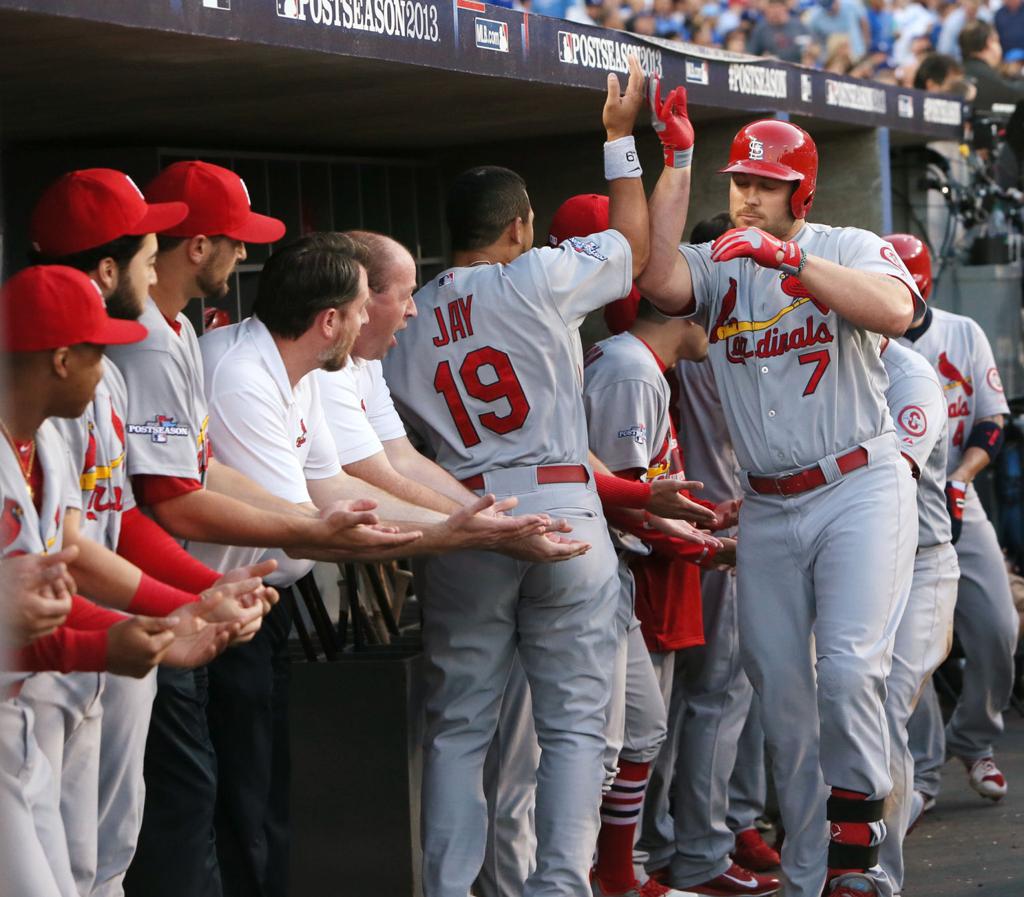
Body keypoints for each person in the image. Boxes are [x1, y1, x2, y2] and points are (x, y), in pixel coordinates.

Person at [106, 161, 421, 897]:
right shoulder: (157, 341)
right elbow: (170, 498)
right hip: (154, 606)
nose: (242, 254)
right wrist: (219, 580)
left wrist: (310, 526)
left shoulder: (175, 330)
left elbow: (194, 473)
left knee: (184, 815)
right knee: (155, 825)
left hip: (192, 599)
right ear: (195, 247)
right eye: (233, 241)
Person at [637, 95, 923, 897]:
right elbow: (656, 276)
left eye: (765, 184)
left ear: (801, 193)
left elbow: (901, 310)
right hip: (768, 504)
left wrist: (790, 262)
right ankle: (812, 874)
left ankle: (864, 870)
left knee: (847, 671)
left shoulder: (843, 244)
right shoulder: (721, 262)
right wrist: (679, 160)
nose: (747, 198)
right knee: (783, 697)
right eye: (739, 184)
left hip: (858, 484)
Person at [382, 56, 650, 897]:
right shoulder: (533, 275)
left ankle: (451, 889)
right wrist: (619, 142)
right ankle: (558, 885)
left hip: (461, 511)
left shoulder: (410, 317)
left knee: (459, 728)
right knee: (573, 727)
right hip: (561, 501)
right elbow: (635, 250)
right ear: (519, 225)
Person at [25, 167, 275, 897]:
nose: (156, 259)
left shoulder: (104, 376)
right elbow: (77, 546)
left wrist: (198, 591)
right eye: (143, 252)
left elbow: (118, 518)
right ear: (106, 270)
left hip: (101, 640)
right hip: (42, 658)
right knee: (56, 866)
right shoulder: (45, 390)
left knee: (105, 853)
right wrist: (181, 604)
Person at [0, 264, 189, 897]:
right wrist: (108, 643)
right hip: (31, 696)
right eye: (96, 352)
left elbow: (67, 572)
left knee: (90, 869)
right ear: (59, 359)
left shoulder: (49, 445)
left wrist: (180, 615)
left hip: (34, 701)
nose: (106, 367)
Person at [638, 209, 778, 897]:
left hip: (701, 523)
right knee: (712, 695)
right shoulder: (707, 333)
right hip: (707, 526)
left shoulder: (688, 337)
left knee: (701, 697)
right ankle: (698, 845)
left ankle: (688, 838)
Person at [896, 236, 1017, 808]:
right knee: (907, 650)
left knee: (998, 628)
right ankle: (921, 771)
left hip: (960, 498)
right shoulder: (870, 336)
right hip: (894, 512)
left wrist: (962, 478)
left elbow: (993, 422)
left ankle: (975, 739)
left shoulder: (962, 331)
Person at [871, 235, 958, 895]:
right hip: (869, 560)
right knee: (853, 707)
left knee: (886, 705)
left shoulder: (911, 371)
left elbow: (891, 476)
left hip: (924, 559)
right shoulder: (833, 363)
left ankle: (878, 868)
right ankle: (848, 850)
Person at [960, 20, 1024, 110]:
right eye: (997, 41)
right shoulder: (984, 76)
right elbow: (1014, 93)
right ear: (989, 42)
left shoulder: (959, 71)